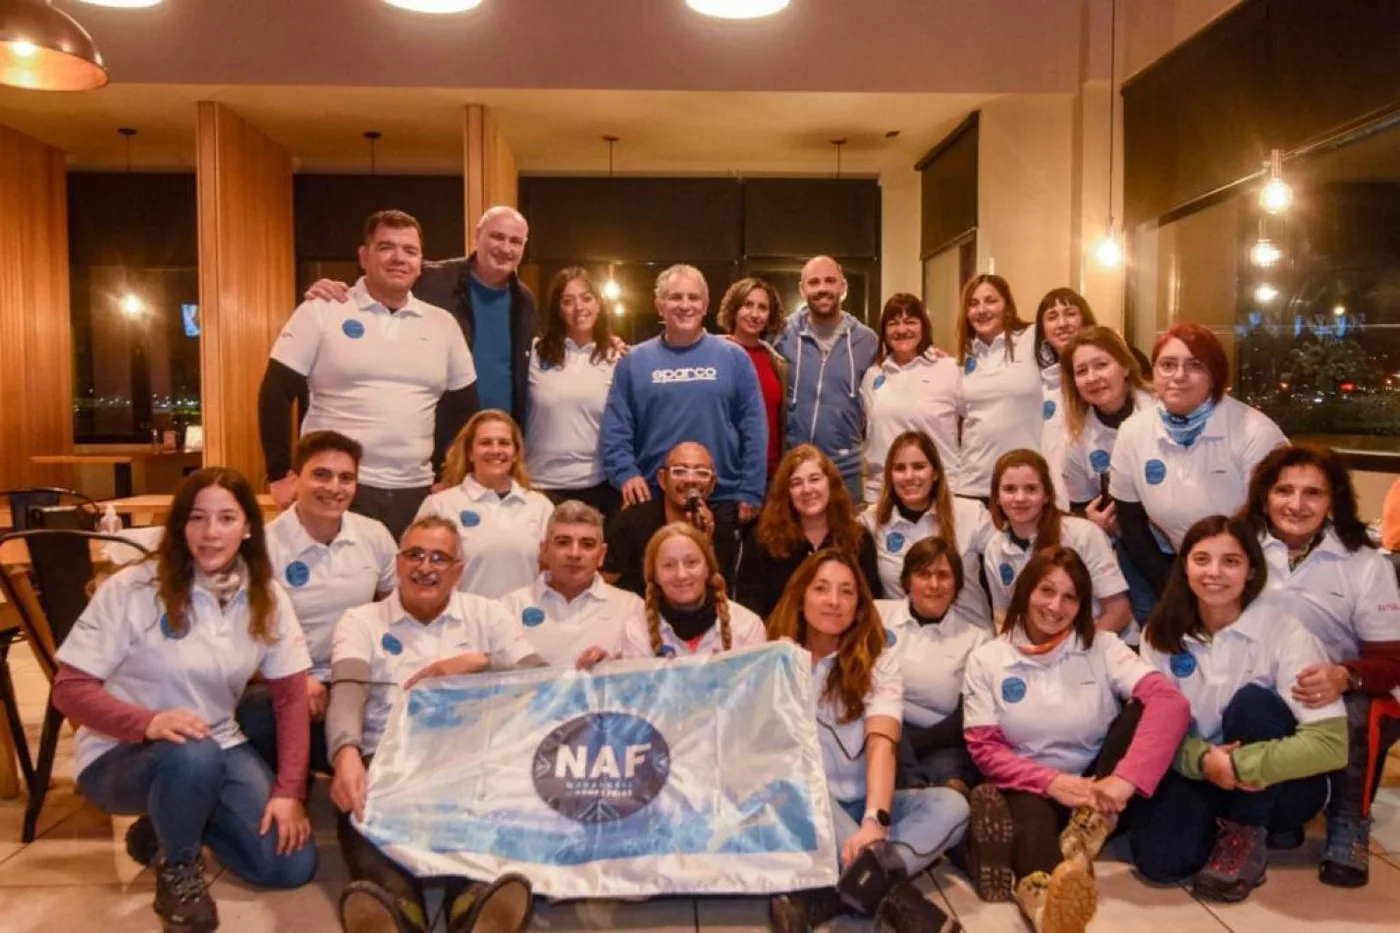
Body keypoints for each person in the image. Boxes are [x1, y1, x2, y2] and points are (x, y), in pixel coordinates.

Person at [52, 468, 318, 932]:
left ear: (249, 527)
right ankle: (179, 870)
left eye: (226, 518)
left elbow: (292, 696)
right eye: (197, 518)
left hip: (218, 743)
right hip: (123, 754)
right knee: (192, 756)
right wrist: (146, 723)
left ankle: (168, 823)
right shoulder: (135, 589)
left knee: (289, 867)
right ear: (180, 526)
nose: (211, 532)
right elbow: (68, 689)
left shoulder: (266, 594)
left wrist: (289, 792)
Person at [329, 516, 542, 933]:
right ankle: (397, 911)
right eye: (415, 554)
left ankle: (474, 907)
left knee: (486, 798)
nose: (425, 566)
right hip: (387, 753)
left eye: (439, 558)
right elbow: (348, 690)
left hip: (467, 756)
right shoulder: (361, 620)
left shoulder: (489, 614)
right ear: (399, 561)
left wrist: (482, 664)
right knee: (361, 799)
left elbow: (540, 681)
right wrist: (345, 754)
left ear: (458, 571)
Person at [961, 547, 1188, 932]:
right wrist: (1054, 783)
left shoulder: (1102, 646)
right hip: (1031, 782)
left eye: (1070, 597)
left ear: (1082, 605)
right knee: (1031, 830)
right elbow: (985, 749)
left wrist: (1123, 780)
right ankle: (1046, 905)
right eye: (1046, 591)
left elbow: (1171, 703)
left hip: (1102, 787)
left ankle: (1087, 828)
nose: (1055, 606)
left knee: (1142, 709)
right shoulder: (988, 659)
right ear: (1025, 592)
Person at [1131, 515, 1348, 902]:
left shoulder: (1284, 632)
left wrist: (1237, 766)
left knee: (1253, 702)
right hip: (1201, 768)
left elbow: (1331, 746)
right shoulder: (1159, 634)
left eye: (1230, 561)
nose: (1214, 572)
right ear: (1184, 566)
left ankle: (1248, 831)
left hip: (1283, 785)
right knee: (1159, 862)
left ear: (1251, 571)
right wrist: (1204, 761)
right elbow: (1152, 728)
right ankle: (1230, 825)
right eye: (1201, 559)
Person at [768, 549, 969, 933]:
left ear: (859, 604)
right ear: (801, 595)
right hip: (806, 806)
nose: (833, 601)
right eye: (822, 589)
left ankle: (836, 893)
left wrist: (875, 820)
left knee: (953, 806)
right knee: (801, 788)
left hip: (867, 797)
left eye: (847, 592)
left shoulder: (879, 660)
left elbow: (882, 742)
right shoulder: (777, 657)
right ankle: (910, 911)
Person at [1236, 444, 1400, 886]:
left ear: (1333, 502)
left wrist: (1345, 676)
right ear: (1264, 495)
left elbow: (1392, 660)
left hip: (1334, 687)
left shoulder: (1363, 563)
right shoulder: (1236, 547)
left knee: (1363, 711)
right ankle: (1260, 822)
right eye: (1284, 490)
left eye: (1313, 493)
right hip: (1257, 687)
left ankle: (1349, 823)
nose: (1296, 504)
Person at [262, 209, 478, 541]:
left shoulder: (443, 325)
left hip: (415, 491)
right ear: (364, 256)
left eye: (410, 251)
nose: (399, 258)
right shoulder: (322, 310)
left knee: (407, 590)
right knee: (334, 588)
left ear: (421, 263)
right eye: (386, 247)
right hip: (336, 488)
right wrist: (278, 473)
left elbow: (466, 410)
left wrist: (451, 476)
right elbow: (275, 392)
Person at [239, 430, 397, 777]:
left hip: (354, 677)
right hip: (284, 679)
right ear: (295, 480)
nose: (334, 488)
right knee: (256, 713)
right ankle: (276, 801)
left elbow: (396, 615)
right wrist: (296, 678)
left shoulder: (375, 535)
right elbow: (239, 642)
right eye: (321, 475)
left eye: (346, 478)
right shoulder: (261, 547)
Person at [306, 205, 537, 424]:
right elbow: (379, 286)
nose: (506, 248)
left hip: (497, 442)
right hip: (433, 436)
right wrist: (336, 290)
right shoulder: (429, 280)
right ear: (477, 236)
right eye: (497, 236)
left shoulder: (525, 301)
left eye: (516, 241)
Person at [1110, 322, 1287, 595]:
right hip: (1182, 573)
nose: (1178, 376)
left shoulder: (1256, 433)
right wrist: (1170, 585)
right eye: (1167, 365)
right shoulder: (1133, 431)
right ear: (1153, 373)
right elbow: (1130, 520)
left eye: (1194, 365)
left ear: (1215, 376)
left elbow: (1273, 525)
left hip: (1260, 573)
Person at [601, 264, 767, 521]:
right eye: (675, 297)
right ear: (660, 306)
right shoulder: (633, 362)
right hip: (652, 497)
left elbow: (754, 427)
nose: (685, 305)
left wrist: (752, 488)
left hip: (722, 497)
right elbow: (616, 429)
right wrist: (626, 473)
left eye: (693, 297)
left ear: (705, 305)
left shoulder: (734, 358)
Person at [1059, 326, 1156, 626]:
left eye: (1102, 365)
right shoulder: (1077, 441)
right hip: (1130, 550)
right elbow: (1080, 506)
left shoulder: (1161, 410)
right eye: (1082, 371)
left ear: (1125, 366)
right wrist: (1092, 522)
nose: (1092, 378)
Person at [876, 538, 989, 790]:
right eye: (923, 574)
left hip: (942, 740)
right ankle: (913, 789)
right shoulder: (876, 615)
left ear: (957, 584)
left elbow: (966, 715)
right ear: (907, 581)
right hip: (880, 731)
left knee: (952, 778)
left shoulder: (977, 638)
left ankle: (963, 802)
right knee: (888, 753)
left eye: (943, 575)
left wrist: (912, 745)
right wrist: (896, 739)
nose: (934, 585)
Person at [983, 449, 1132, 635]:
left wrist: (1077, 654)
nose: (1019, 498)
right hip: (1035, 653)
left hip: (1091, 643)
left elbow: (1119, 611)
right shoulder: (994, 549)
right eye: (1009, 489)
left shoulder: (1083, 535)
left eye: (1030, 489)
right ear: (996, 497)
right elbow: (1005, 619)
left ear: (1046, 495)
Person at [414, 410, 553, 598]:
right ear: (470, 453)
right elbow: (420, 574)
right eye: (485, 443)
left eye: (504, 443)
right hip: (464, 623)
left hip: (523, 623)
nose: (496, 450)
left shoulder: (541, 507)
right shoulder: (440, 506)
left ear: (515, 453)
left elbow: (552, 574)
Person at [860, 430, 994, 625]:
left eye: (919, 467)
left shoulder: (972, 514)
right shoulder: (872, 522)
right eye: (899, 468)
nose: (909, 476)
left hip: (970, 636)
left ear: (936, 473)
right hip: (906, 643)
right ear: (890, 476)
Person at [774, 255, 879, 502]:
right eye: (814, 282)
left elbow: (900, 363)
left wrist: (930, 353)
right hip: (794, 469)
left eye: (830, 281)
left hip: (846, 472)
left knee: (845, 540)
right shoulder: (781, 334)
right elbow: (749, 346)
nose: (822, 289)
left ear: (843, 287)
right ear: (802, 289)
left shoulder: (868, 341)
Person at [736, 444, 884, 620]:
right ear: (786, 493)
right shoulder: (762, 540)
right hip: (779, 641)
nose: (807, 490)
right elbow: (750, 609)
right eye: (796, 483)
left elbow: (870, 603)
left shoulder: (858, 538)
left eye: (814, 479)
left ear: (830, 483)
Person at [524, 267, 623, 520]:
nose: (579, 307)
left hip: (598, 486)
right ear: (558, 309)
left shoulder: (616, 358)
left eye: (587, 298)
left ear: (599, 304)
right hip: (540, 486)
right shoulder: (534, 352)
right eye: (568, 301)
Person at [501, 499, 645, 667]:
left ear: (602, 554)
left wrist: (613, 669)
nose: (574, 553)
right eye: (563, 542)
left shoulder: (630, 607)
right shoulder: (510, 607)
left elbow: (643, 682)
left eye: (587, 544)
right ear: (544, 550)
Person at [601, 441, 742, 597]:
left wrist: (706, 541)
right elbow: (605, 583)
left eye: (701, 473)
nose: (690, 480)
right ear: (662, 479)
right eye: (680, 471)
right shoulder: (631, 522)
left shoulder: (720, 529)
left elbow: (719, 593)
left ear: (712, 484)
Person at [859, 293, 963, 506]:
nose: (902, 330)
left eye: (910, 322)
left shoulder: (949, 369)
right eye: (893, 323)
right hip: (882, 493)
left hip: (940, 493)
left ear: (923, 326)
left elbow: (970, 427)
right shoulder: (873, 376)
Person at [618, 522, 765, 659]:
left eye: (691, 563)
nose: (681, 575)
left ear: (708, 568)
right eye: (669, 565)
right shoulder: (636, 632)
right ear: (654, 576)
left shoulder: (747, 626)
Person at [953, 274, 1041, 502]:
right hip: (973, 484)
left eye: (991, 301)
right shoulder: (963, 359)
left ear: (1007, 305)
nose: (982, 310)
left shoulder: (1033, 339)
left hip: (1025, 485)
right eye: (973, 304)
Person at [1033, 288, 1099, 511]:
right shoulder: (1040, 382)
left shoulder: (1100, 379)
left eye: (1071, 313)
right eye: (1052, 317)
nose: (1062, 323)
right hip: (1052, 504)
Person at [717, 276, 789, 481]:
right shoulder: (714, 354)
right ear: (734, 309)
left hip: (770, 474)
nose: (754, 314)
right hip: (726, 475)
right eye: (747, 305)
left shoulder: (776, 362)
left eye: (762, 308)